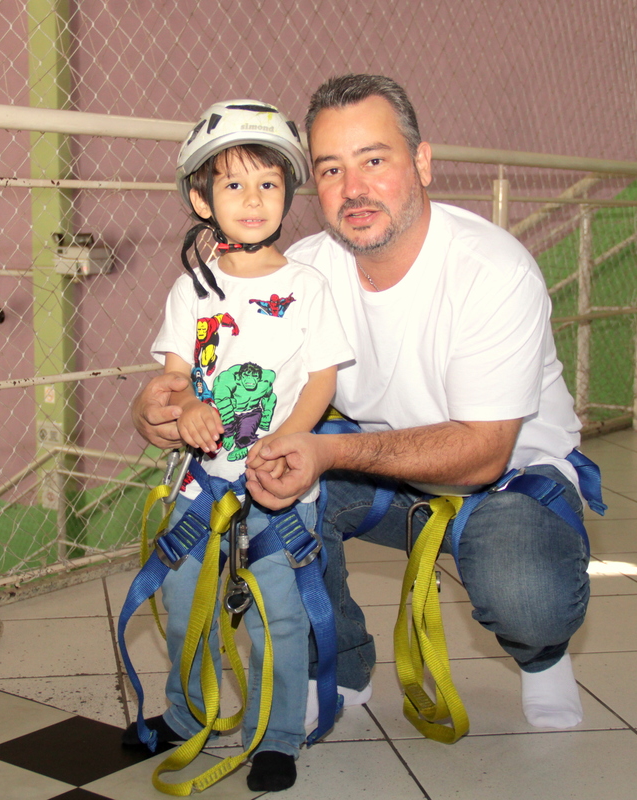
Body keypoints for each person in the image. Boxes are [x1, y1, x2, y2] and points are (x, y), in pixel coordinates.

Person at [133, 74, 594, 732]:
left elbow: (483, 454)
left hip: (506, 482)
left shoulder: (492, 271)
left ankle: (543, 656)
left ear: (422, 162)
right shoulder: (301, 273)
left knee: (524, 590)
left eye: (374, 160)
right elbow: (231, 376)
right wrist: (162, 409)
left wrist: (323, 451)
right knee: (272, 496)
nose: (354, 190)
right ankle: (340, 664)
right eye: (330, 169)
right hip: (373, 470)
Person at [124, 99, 353, 792]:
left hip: (281, 481)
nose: (252, 200)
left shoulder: (307, 287)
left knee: (278, 613)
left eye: (268, 184)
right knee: (184, 600)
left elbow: (321, 377)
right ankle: (186, 711)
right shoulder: (191, 290)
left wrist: (290, 439)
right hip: (202, 482)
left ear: (289, 193)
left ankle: (278, 734)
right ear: (201, 197)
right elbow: (170, 378)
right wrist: (187, 407)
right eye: (232, 185)